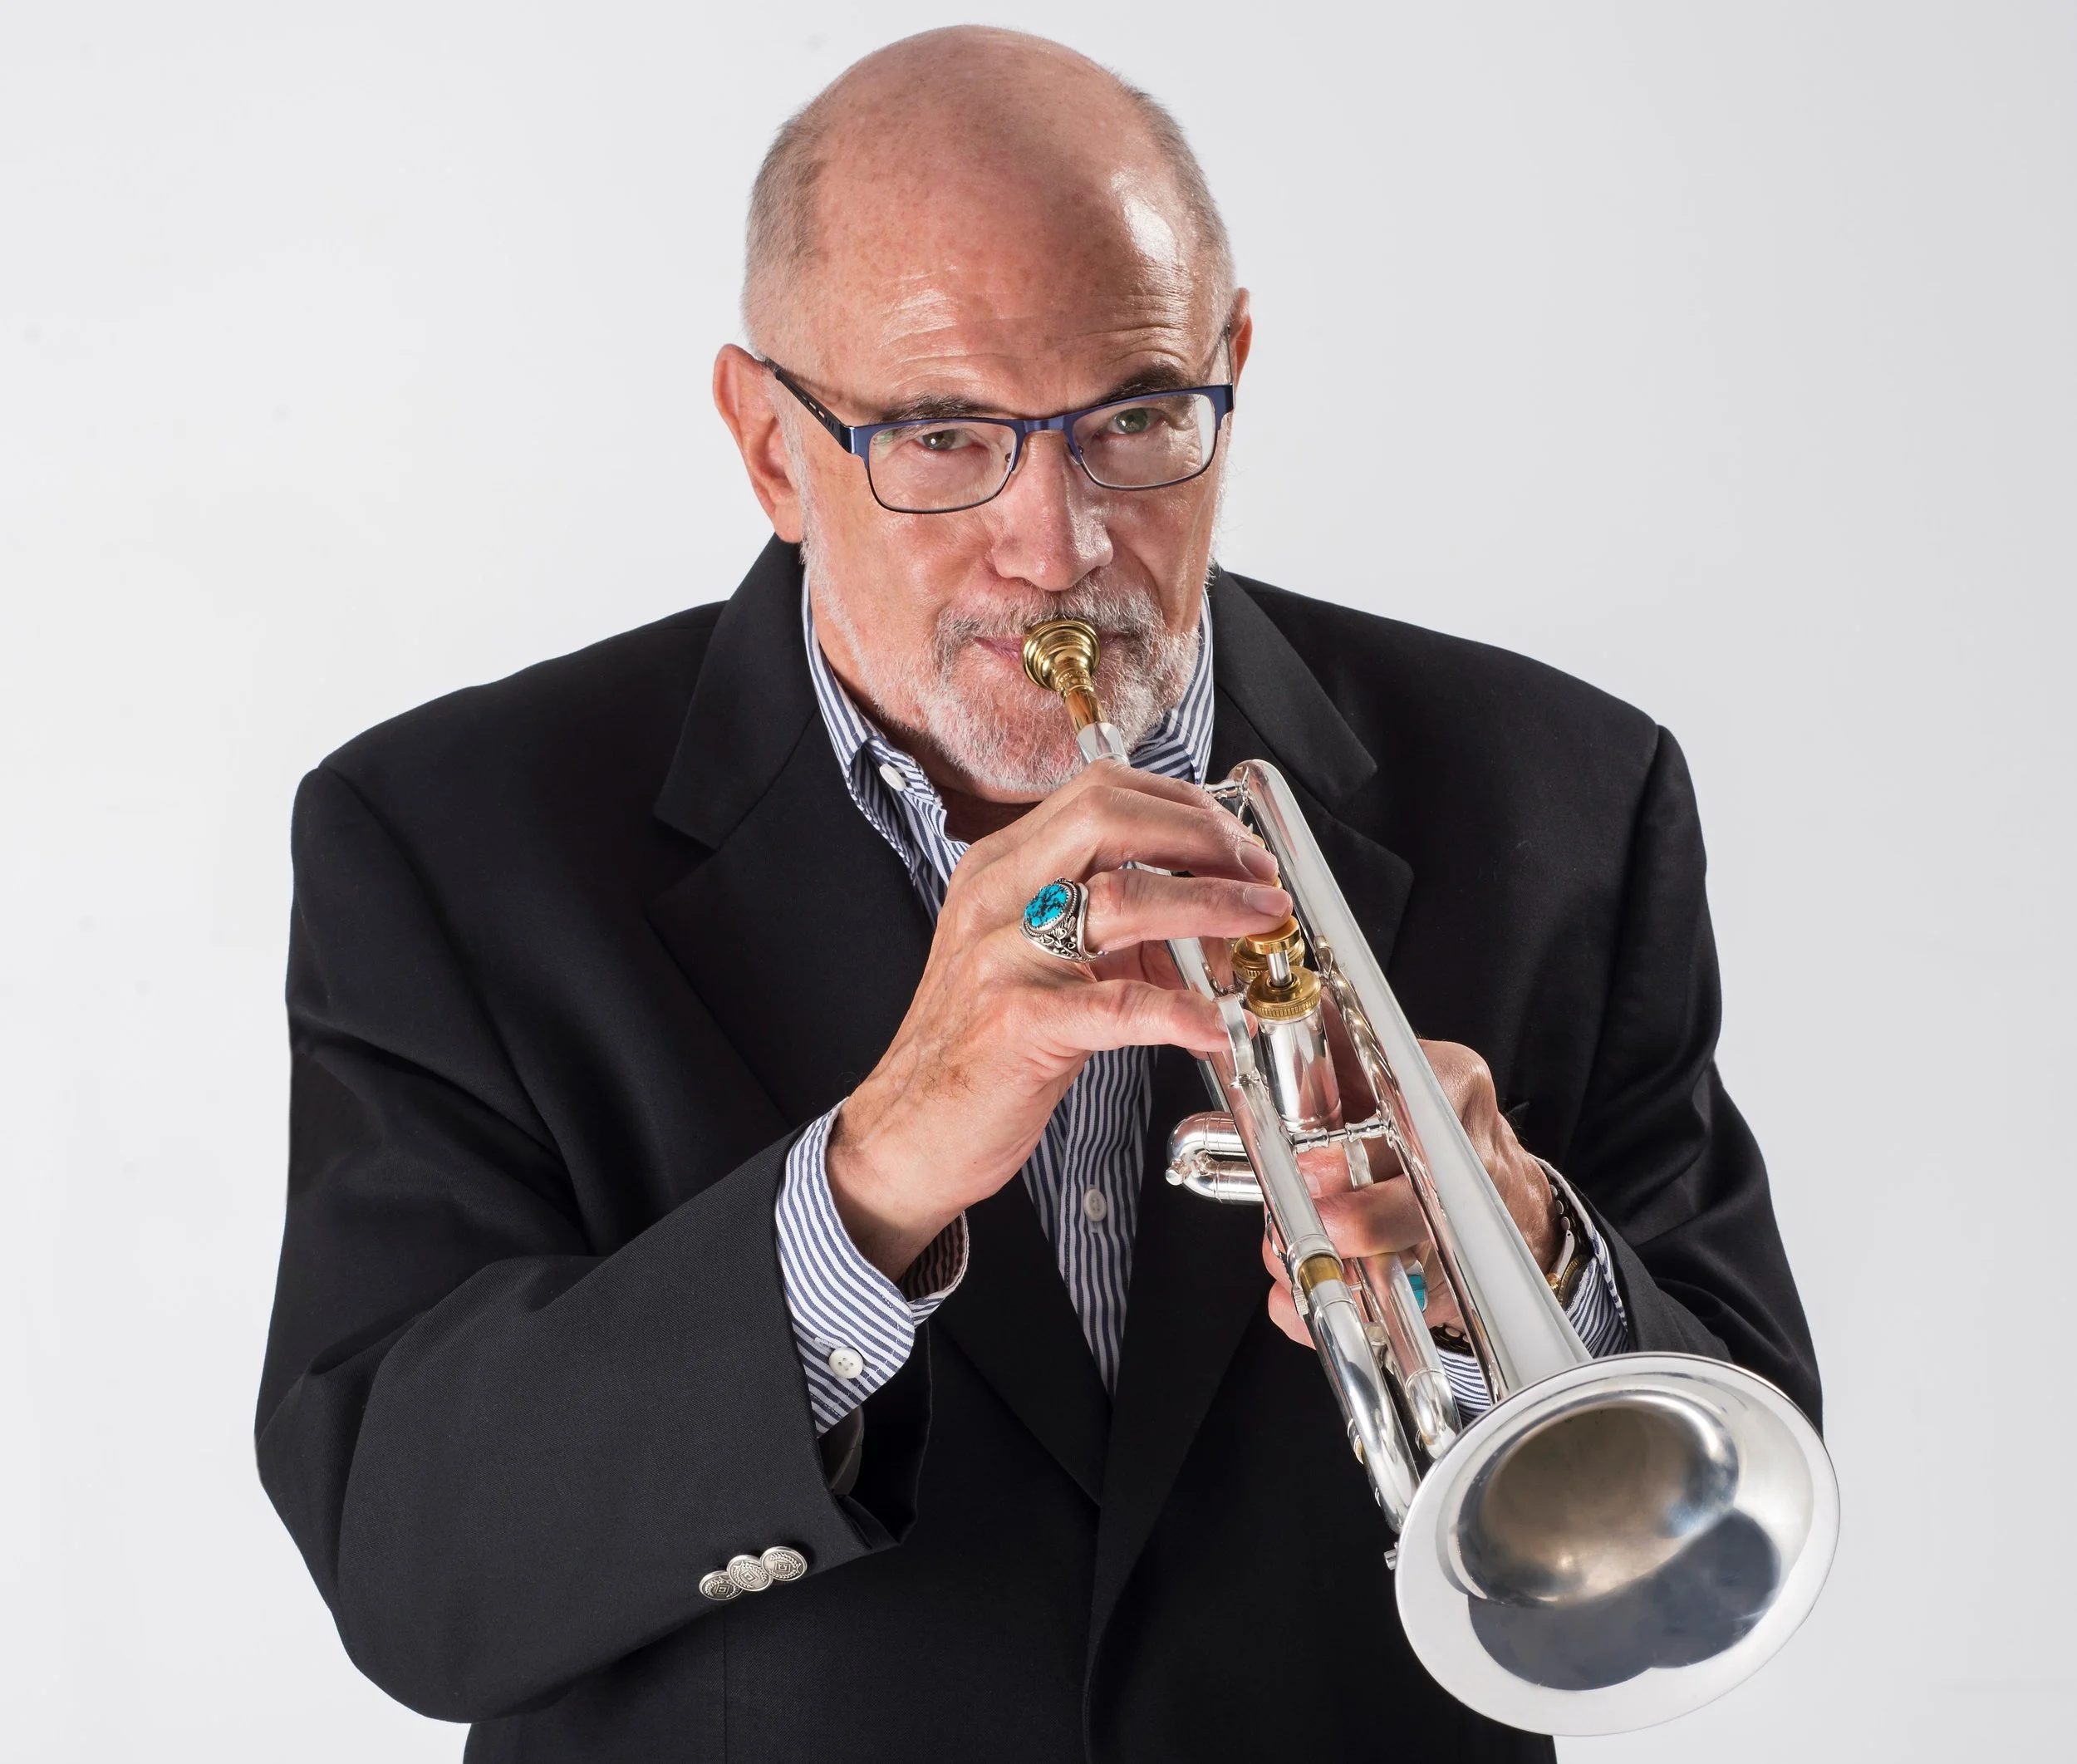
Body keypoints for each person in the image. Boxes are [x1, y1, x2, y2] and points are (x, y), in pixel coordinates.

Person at [257, 26, 1819, 1763]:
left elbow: (1731, 1477)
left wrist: (1528, 1264)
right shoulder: (453, 837)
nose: (1057, 546)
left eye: (1136, 418)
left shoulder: (1561, 795)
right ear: (770, 446)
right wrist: (863, 1188)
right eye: (941, 434)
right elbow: (412, 1568)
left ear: (1231, 369)